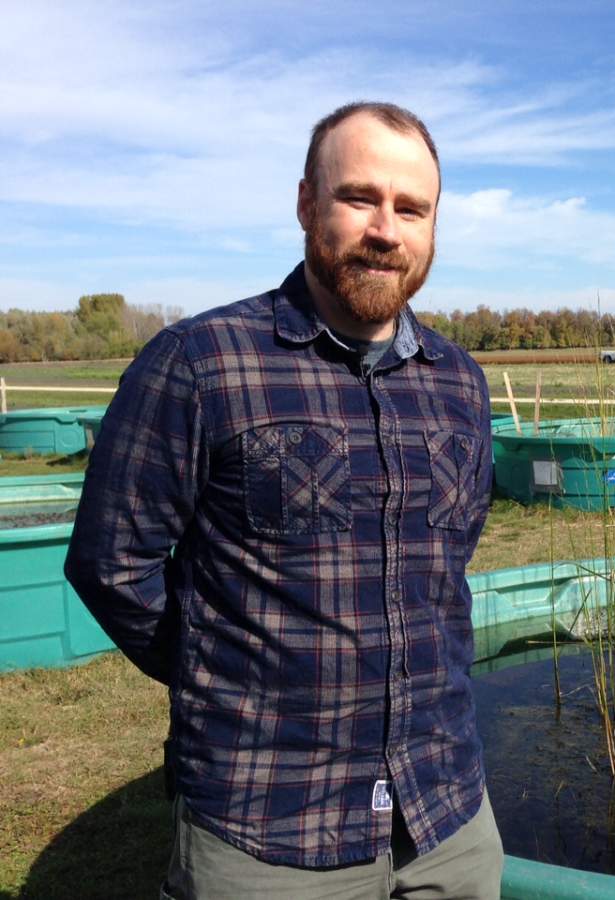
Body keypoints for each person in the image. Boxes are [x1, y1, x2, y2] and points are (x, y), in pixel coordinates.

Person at [65, 102, 502, 899]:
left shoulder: (459, 384)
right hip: (268, 827)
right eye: (360, 198)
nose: (386, 229)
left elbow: (451, 562)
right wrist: (217, 671)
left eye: (412, 209)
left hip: (447, 820)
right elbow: (109, 561)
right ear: (307, 203)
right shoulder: (201, 364)